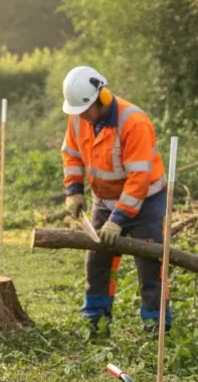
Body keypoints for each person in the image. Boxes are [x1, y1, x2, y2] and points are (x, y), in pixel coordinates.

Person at [59, 65, 171, 336]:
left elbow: (139, 180)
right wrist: (74, 190)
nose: (82, 117)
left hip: (147, 203)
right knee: (97, 262)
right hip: (104, 200)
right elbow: (72, 154)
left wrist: (117, 220)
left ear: (101, 99)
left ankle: (156, 328)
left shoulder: (134, 122)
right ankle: (95, 322)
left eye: (85, 110)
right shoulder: (78, 117)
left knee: (150, 266)